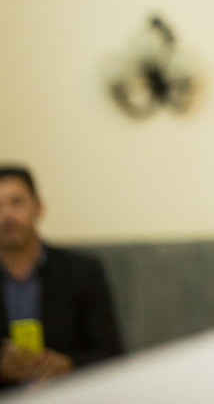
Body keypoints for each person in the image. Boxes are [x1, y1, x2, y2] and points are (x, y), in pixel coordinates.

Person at [0, 166, 122, 389]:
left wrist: (70, 365)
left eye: (16, 202)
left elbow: (113, 353)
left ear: (38, 207)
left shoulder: (82, 271)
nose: (7, 215)